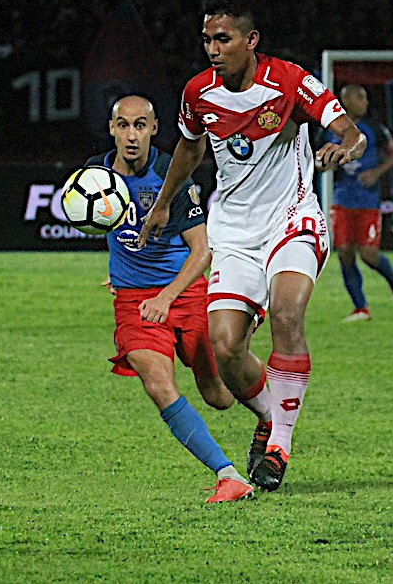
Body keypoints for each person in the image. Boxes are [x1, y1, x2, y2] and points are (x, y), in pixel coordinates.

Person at [138, 0, 367, 492]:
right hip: (234, 232)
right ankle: (269, 414)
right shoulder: (198, 92)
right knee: (225, 347)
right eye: (207, 40)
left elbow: (350, 131)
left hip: (292, 220)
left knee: (286, 314)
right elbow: (189, 148)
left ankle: (279, 446)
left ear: (251, 40)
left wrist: (344, 149)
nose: (212, 49)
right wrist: (163, 204)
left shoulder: (290, 81)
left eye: (223, 39)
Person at [88, 94, 254, 504]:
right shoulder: (95, 176)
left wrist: (166, 297)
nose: (131, 135)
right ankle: (228, 475)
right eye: (123, 125)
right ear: (111, 130)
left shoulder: (171, 175)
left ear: (154, 129)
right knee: (158, 385)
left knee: (220, 397)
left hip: (186, 290)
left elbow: (203, 251)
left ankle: (272, 414)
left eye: (140, 125)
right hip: (134, 302)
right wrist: (119, 271)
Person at [326, 84, 393, 322]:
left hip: (367, 201)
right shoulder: (331, 129)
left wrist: (376, 172)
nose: (366, 102)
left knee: (368, 254)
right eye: (361, 98)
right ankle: (361, 308)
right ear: (346, 101)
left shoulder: (374, 129)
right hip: (341, 199)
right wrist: (328, 163)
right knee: (344, 253)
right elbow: (320, 160)